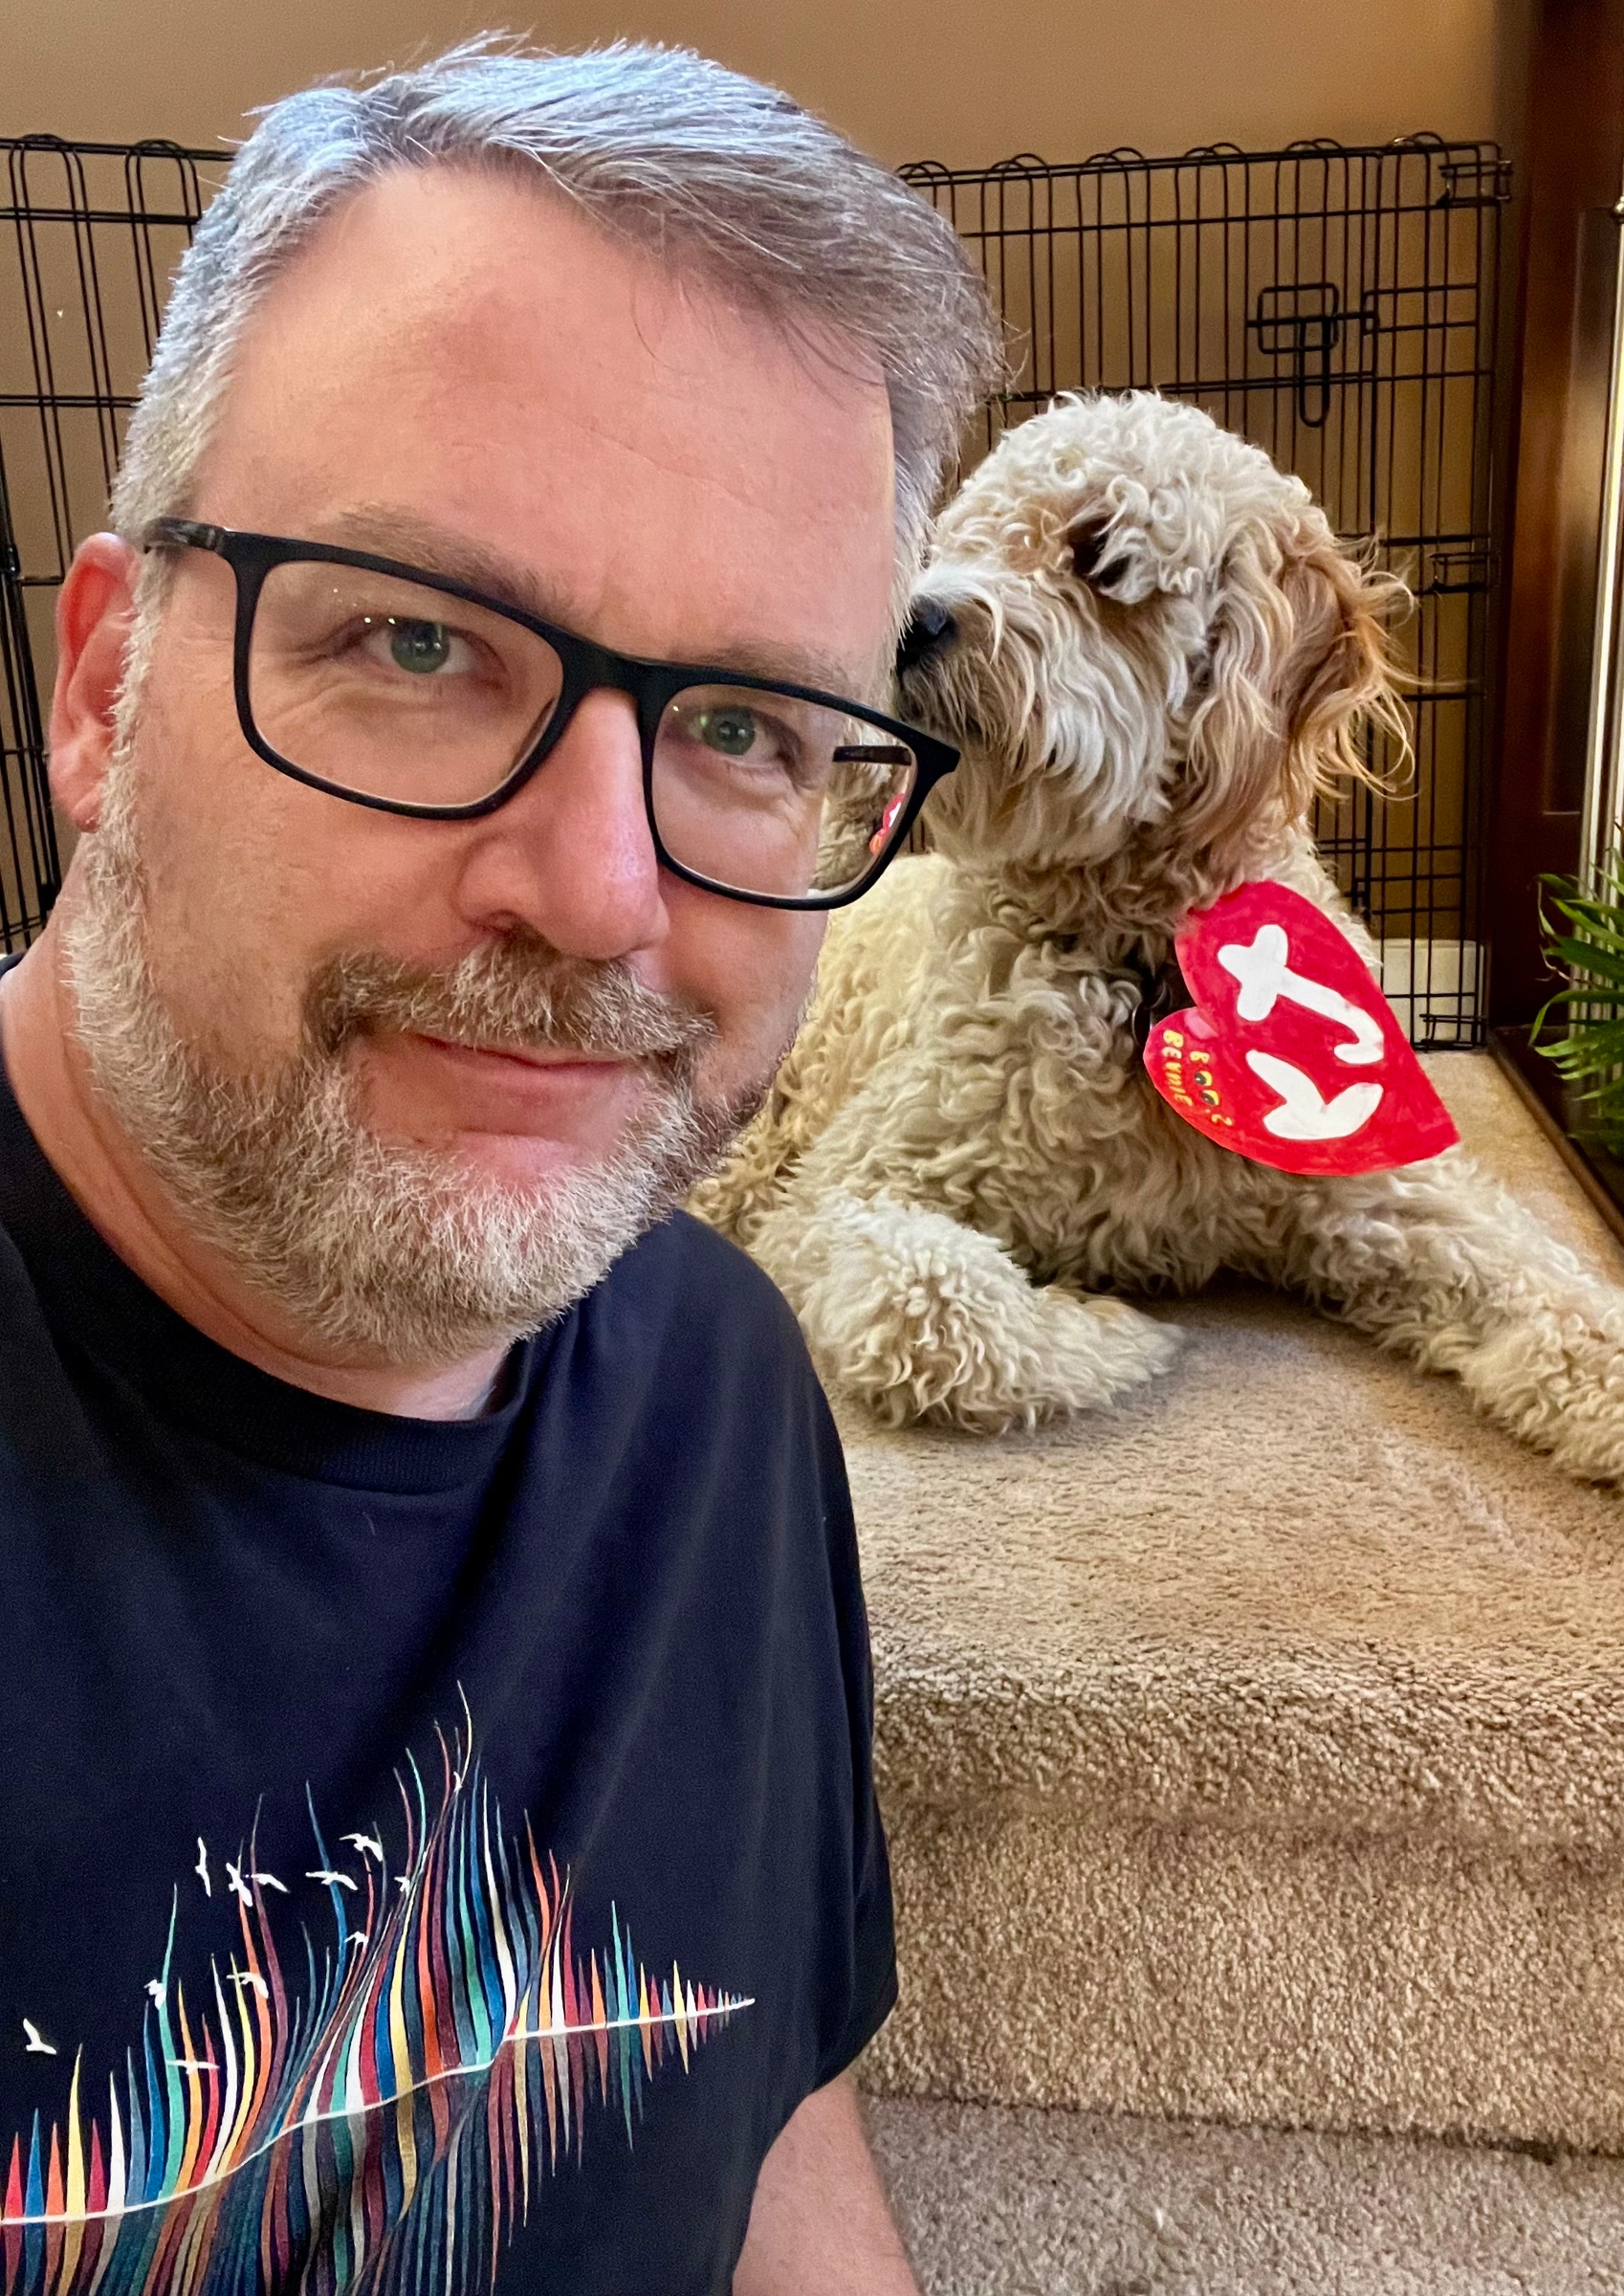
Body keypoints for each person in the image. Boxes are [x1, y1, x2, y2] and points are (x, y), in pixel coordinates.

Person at [0, 38, 999, 2296]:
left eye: (744, 727)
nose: (596, 891)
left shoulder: (720, 1397)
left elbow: (766, 2133)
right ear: (102, 692)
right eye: (422, 646)